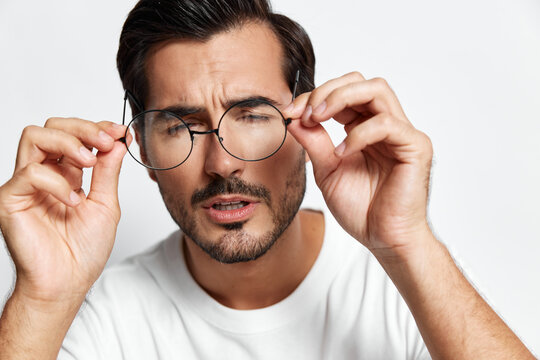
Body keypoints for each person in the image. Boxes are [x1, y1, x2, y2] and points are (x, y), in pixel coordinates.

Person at [0, 0, 534, 358]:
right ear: (135, 139)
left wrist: (408, 246)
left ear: (310, 118)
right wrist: (43, 299)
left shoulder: (408, 292)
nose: (221, 163)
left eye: (252, 116)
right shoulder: (102, 319)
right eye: (182, 125)